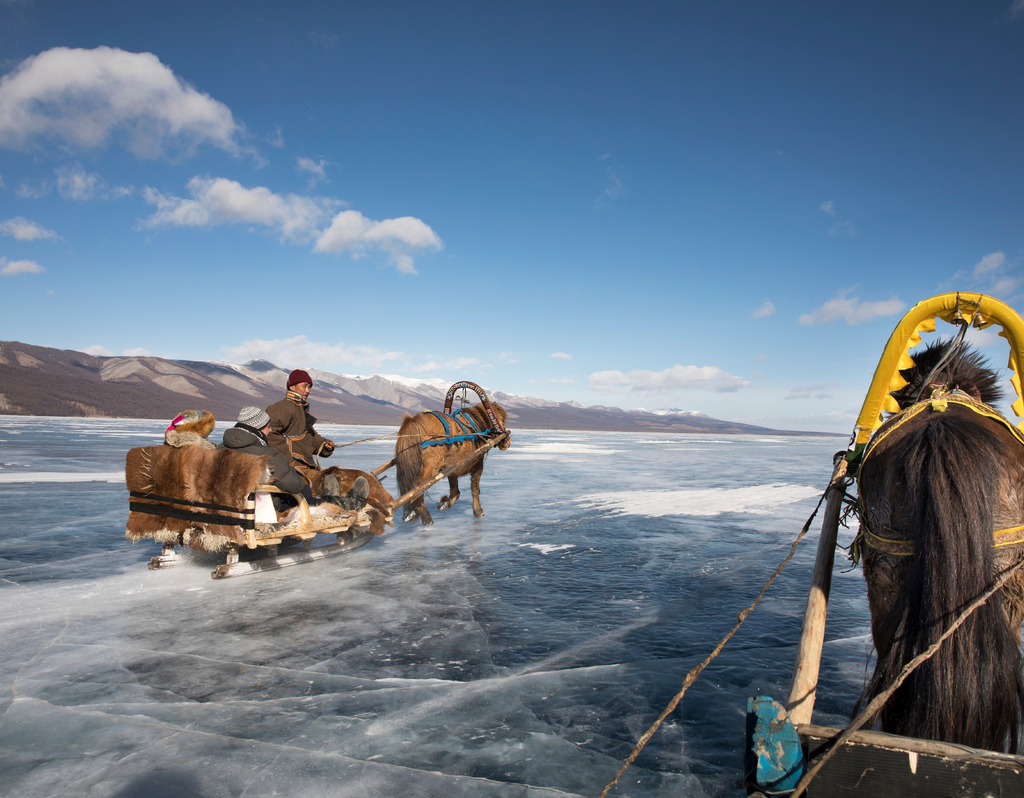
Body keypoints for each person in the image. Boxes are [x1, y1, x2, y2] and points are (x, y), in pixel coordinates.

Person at [222, 406, 368, 511]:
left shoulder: (218, 450)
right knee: (300, 494)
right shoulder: (265, 454)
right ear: (258, 429)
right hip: (262, 511)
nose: (270, 430)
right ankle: (349, 504)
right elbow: (295, 485)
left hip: (226, 508)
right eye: (267, 427)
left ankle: (328, 498)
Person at [266, 370, 368, 508]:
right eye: (304, 386)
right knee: (326, 480)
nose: (307, 390)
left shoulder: (300, 409)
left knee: (330, 479)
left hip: (304, 465)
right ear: (292, 386)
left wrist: (324, 445)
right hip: (295, 467)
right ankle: (342, 505)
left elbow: (310, 437)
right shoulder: (283, 407)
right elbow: (270, 434)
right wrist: (288, 462)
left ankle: (336, 502)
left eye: (309, 387)